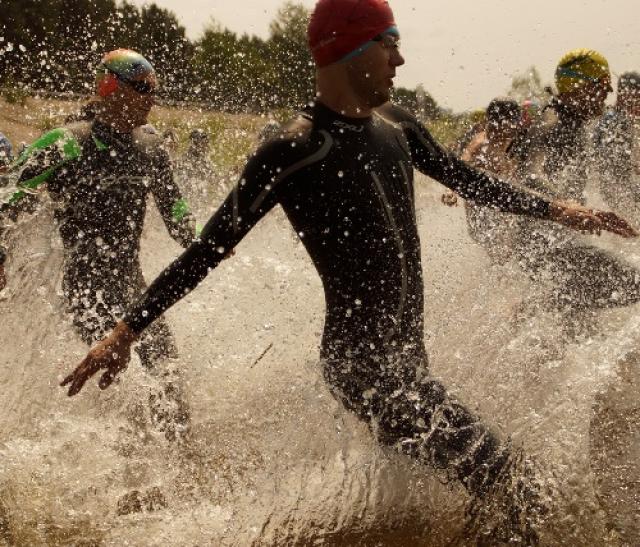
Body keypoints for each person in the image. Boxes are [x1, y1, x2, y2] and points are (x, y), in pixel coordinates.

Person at [60, 3, 635, 542]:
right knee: (514, 482)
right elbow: (206, 250)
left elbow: (469, 180)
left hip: (407, 357)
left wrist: (563, 211)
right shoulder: (294, 148)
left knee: (487, 492)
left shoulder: (398, 125)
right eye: (389, 43)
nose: (400, 59)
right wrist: (126, 331)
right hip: (362, 365)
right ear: (348, 48)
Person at [1, 48, 196, 439]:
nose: (152, 99)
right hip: (86, 290)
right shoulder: (66, 143)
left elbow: (177, 213)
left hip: (134, 286)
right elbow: (7, 201)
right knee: (125, 388)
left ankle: (181, 459)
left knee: (167, 375)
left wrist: (206, 241)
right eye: (143, 88)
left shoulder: (151, 148)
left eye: (155, 90)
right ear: (110, 87)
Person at [509, 50, 640, 321]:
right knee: (635, 284)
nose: (609, 93)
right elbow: (531, 177)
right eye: (603, 86)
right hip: (546, 242)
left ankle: (540, 308)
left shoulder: (575, 123)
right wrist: (576, 209)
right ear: (580, 87)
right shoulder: (552, 123)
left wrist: (596, 211)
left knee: (579, 328)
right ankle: (539, 306)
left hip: (553, 240)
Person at [593, 71, 640, 217]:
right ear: (622, 94)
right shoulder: (614, 122)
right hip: (615, 192)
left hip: (621, 190)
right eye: (635, 96)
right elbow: (613, 168)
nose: (637, 101)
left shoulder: (624, 120)